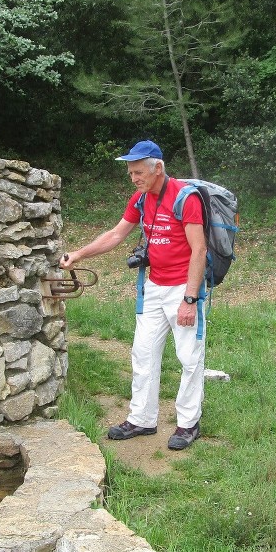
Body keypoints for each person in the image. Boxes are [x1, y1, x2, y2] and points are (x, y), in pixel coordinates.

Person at [60, 140, 207, 450]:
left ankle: (188, 424)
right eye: (130, 173)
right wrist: (79, 254)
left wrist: (190, 299)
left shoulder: (185, 198)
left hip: (183, 288)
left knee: (189, 358)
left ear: (158, 169)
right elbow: (116, 234)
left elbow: (200, 250)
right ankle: (142, 418)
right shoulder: (140, 199)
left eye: (139, 172)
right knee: (143, 354)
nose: (134, 178)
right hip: (153, 287)